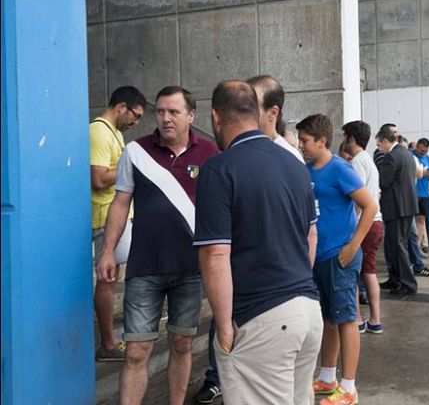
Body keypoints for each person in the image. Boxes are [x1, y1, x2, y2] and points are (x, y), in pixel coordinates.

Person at [195, 81, 322, 405]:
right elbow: (311, 235)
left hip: (261, 317)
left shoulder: (219, 169)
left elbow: (214, 254)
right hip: (308, 311)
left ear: (215, 117)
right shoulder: (295, 165)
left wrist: (223, 326)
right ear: (257, 113)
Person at [97, 86, 219, 404]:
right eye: (160, 111)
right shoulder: (135, 151)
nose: (165, 118)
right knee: (137, 350)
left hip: (191, 268)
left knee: (181, 343)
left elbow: (223, 208)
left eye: (173, 112)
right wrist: (108, 251)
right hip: (144, 266)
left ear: (191, 116)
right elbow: (120, 203)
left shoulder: (209, 154)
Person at [297, 114, 377, 405]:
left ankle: (349, 387)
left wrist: (353, 246)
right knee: (328, 320)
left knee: (346, 320)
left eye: (305, 141)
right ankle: (327, 377)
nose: (301, 146)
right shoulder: (306, 170)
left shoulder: (340, 169)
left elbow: (369, 206)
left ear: (321, 141)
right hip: (318, 257)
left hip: (340, 257)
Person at [90, 86, 146, 362]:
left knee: (110, 281)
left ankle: (110, 342)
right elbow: (98, 178)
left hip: (113, 218)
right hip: (102, 218)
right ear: (121, 106)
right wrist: (130, 168)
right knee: (107, 281)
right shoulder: (99, 131)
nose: (135, 122)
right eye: (135, 115)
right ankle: (108, 344)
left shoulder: (114, 134)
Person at [342, 121, 384, 334]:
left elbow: (358, 199)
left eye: (344, 137)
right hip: (376, 222)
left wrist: (350, 225)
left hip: (365, 224)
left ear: (351, 138)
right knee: (369, 271)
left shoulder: (357, 162)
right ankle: (374, 320)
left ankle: (358, 320)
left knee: (355, 273)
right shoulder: (368, 160)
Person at [376, 126, 419, 294]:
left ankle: (408, 283)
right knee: (396, 244)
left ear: (386, 141)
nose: (380, 149)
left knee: (398, 246)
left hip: (396, 207)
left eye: (380, 145)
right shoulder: (406, 153)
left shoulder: (392, 156)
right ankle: (395, 279)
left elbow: (384, 181)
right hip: (406, 206)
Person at [247, 75, 305, 163]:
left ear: (273, 113)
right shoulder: (236, 150)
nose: (244, 111)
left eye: (252, 106)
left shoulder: (291, 157)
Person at [413, 138, 429, 252]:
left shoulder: (428, 159)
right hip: (412, 193)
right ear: (417, 147)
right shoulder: (410, 156)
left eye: (425, 151)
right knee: (410, 221)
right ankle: (412, 245)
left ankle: (418, 246)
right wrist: (420, 173)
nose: (423, 153)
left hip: (425, 194)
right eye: (421, 151)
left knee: (421, 220)